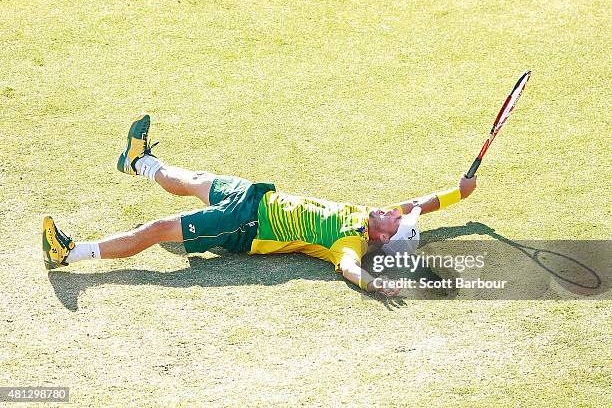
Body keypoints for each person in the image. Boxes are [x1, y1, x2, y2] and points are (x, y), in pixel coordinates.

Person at [42, 115, 477, 296]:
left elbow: (349, 270)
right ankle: (140, 161)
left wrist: (374, 284)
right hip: (254, 195)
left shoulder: (351, 242)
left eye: (396, 218)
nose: (396, 209)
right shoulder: (372, 217)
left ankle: (70, 253)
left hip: (245, 225)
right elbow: (422, 202)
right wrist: (460, 192)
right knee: (191, 181)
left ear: (384, 237)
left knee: (158, 230)